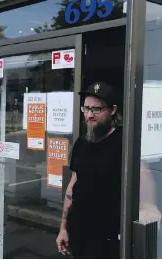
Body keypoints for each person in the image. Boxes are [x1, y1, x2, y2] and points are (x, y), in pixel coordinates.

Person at [56, 82, 123, 258]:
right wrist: (63, 227)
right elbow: (72, 185)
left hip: (106, 239)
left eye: (96, 110)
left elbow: (143, 178)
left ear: (113, 110)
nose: (89, 115)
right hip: (78, 233)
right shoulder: (82, 142)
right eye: (86, 109)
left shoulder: (123, 143)